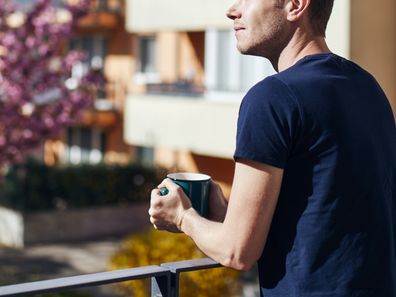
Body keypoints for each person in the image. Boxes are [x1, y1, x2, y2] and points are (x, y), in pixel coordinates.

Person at [149, 0, 396, 296]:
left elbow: (237, 252)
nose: (232, 10)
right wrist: (228, 217)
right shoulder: (367, 86)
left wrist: (182, 216)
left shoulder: (272, 98)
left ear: (295, 5)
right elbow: (327, 218)